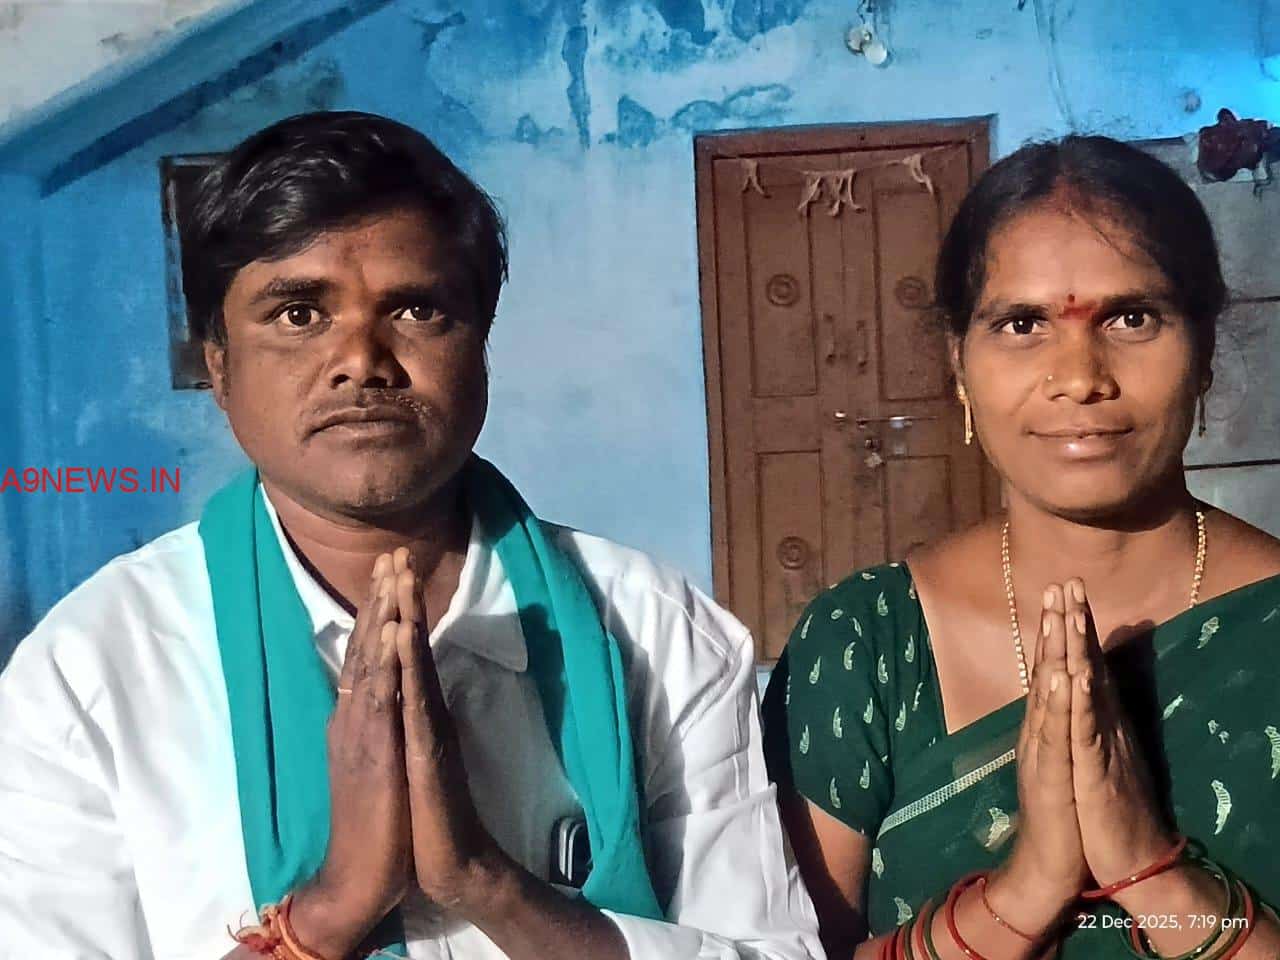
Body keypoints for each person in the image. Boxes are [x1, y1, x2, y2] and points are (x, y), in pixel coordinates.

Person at [0, 111, 823, 960]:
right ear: (218, 365)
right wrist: (329, 912)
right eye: (298, 314)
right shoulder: (96, 670)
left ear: (481, 345)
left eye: (417, 309)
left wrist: (488, 884)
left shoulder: (651, 627)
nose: (362, 360)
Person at [761, 135, 1280, 960]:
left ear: (1205, 349)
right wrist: (1028, 888)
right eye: (1022, 323)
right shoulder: (865, 646)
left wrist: (1152, 874)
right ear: (958, 364)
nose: (1079, 377)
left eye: (1132, 317)